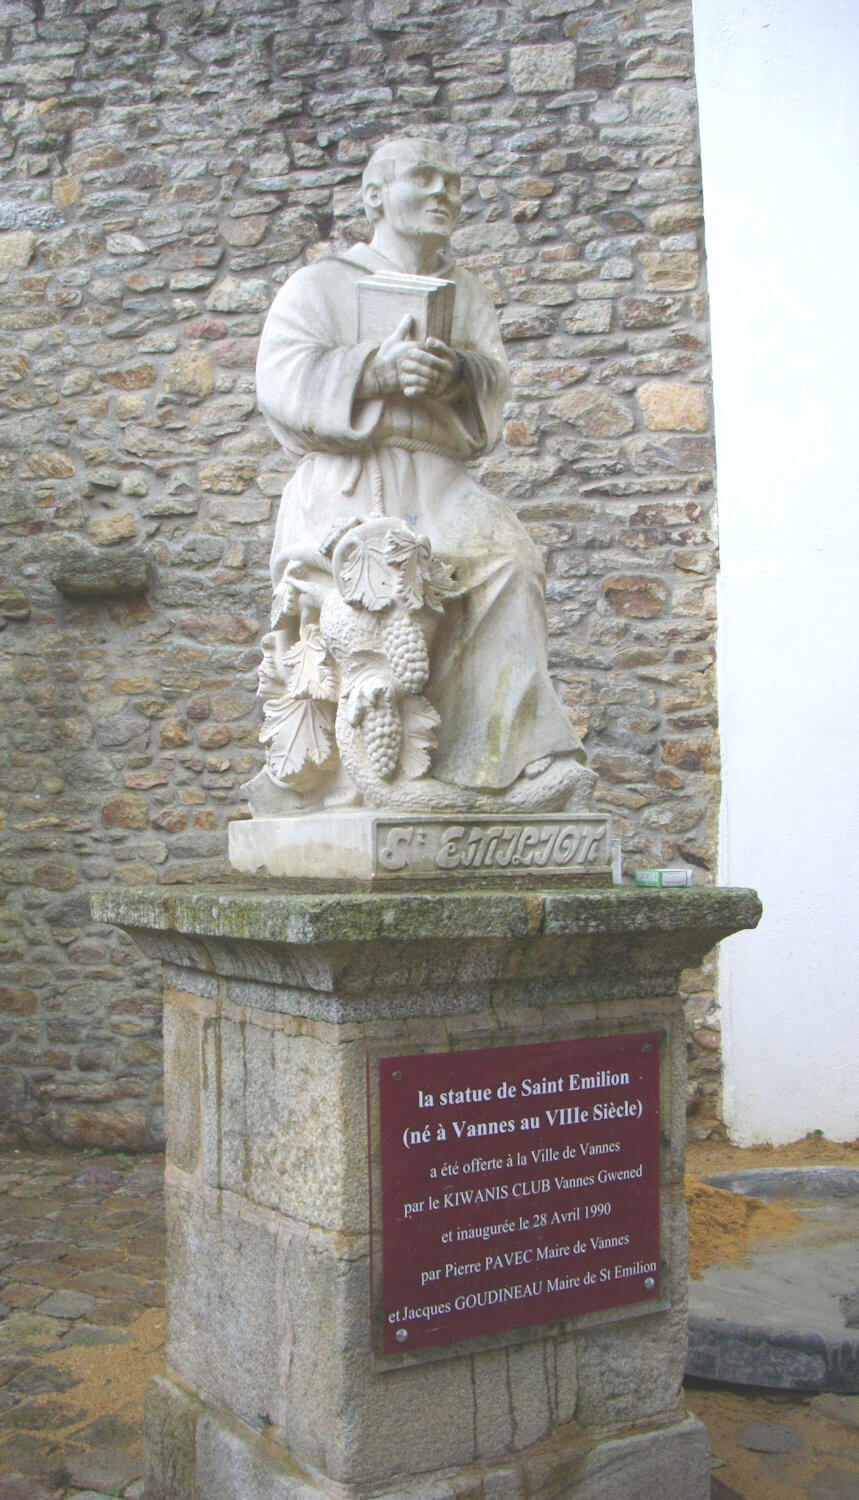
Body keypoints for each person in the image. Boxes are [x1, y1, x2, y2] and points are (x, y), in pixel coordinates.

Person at [254, 135, 588, 809]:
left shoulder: (464, 293)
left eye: (454, 182)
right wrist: (375, 369)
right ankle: (354, 780)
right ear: (374, 195)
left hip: (438, 478)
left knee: (511, 561)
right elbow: (281, 381)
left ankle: (505, 763)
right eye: (424, 178)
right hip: (347, 480)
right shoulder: (319, 285)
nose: (444, 192)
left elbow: (492, 384)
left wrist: (458, 372)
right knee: (376, 584)